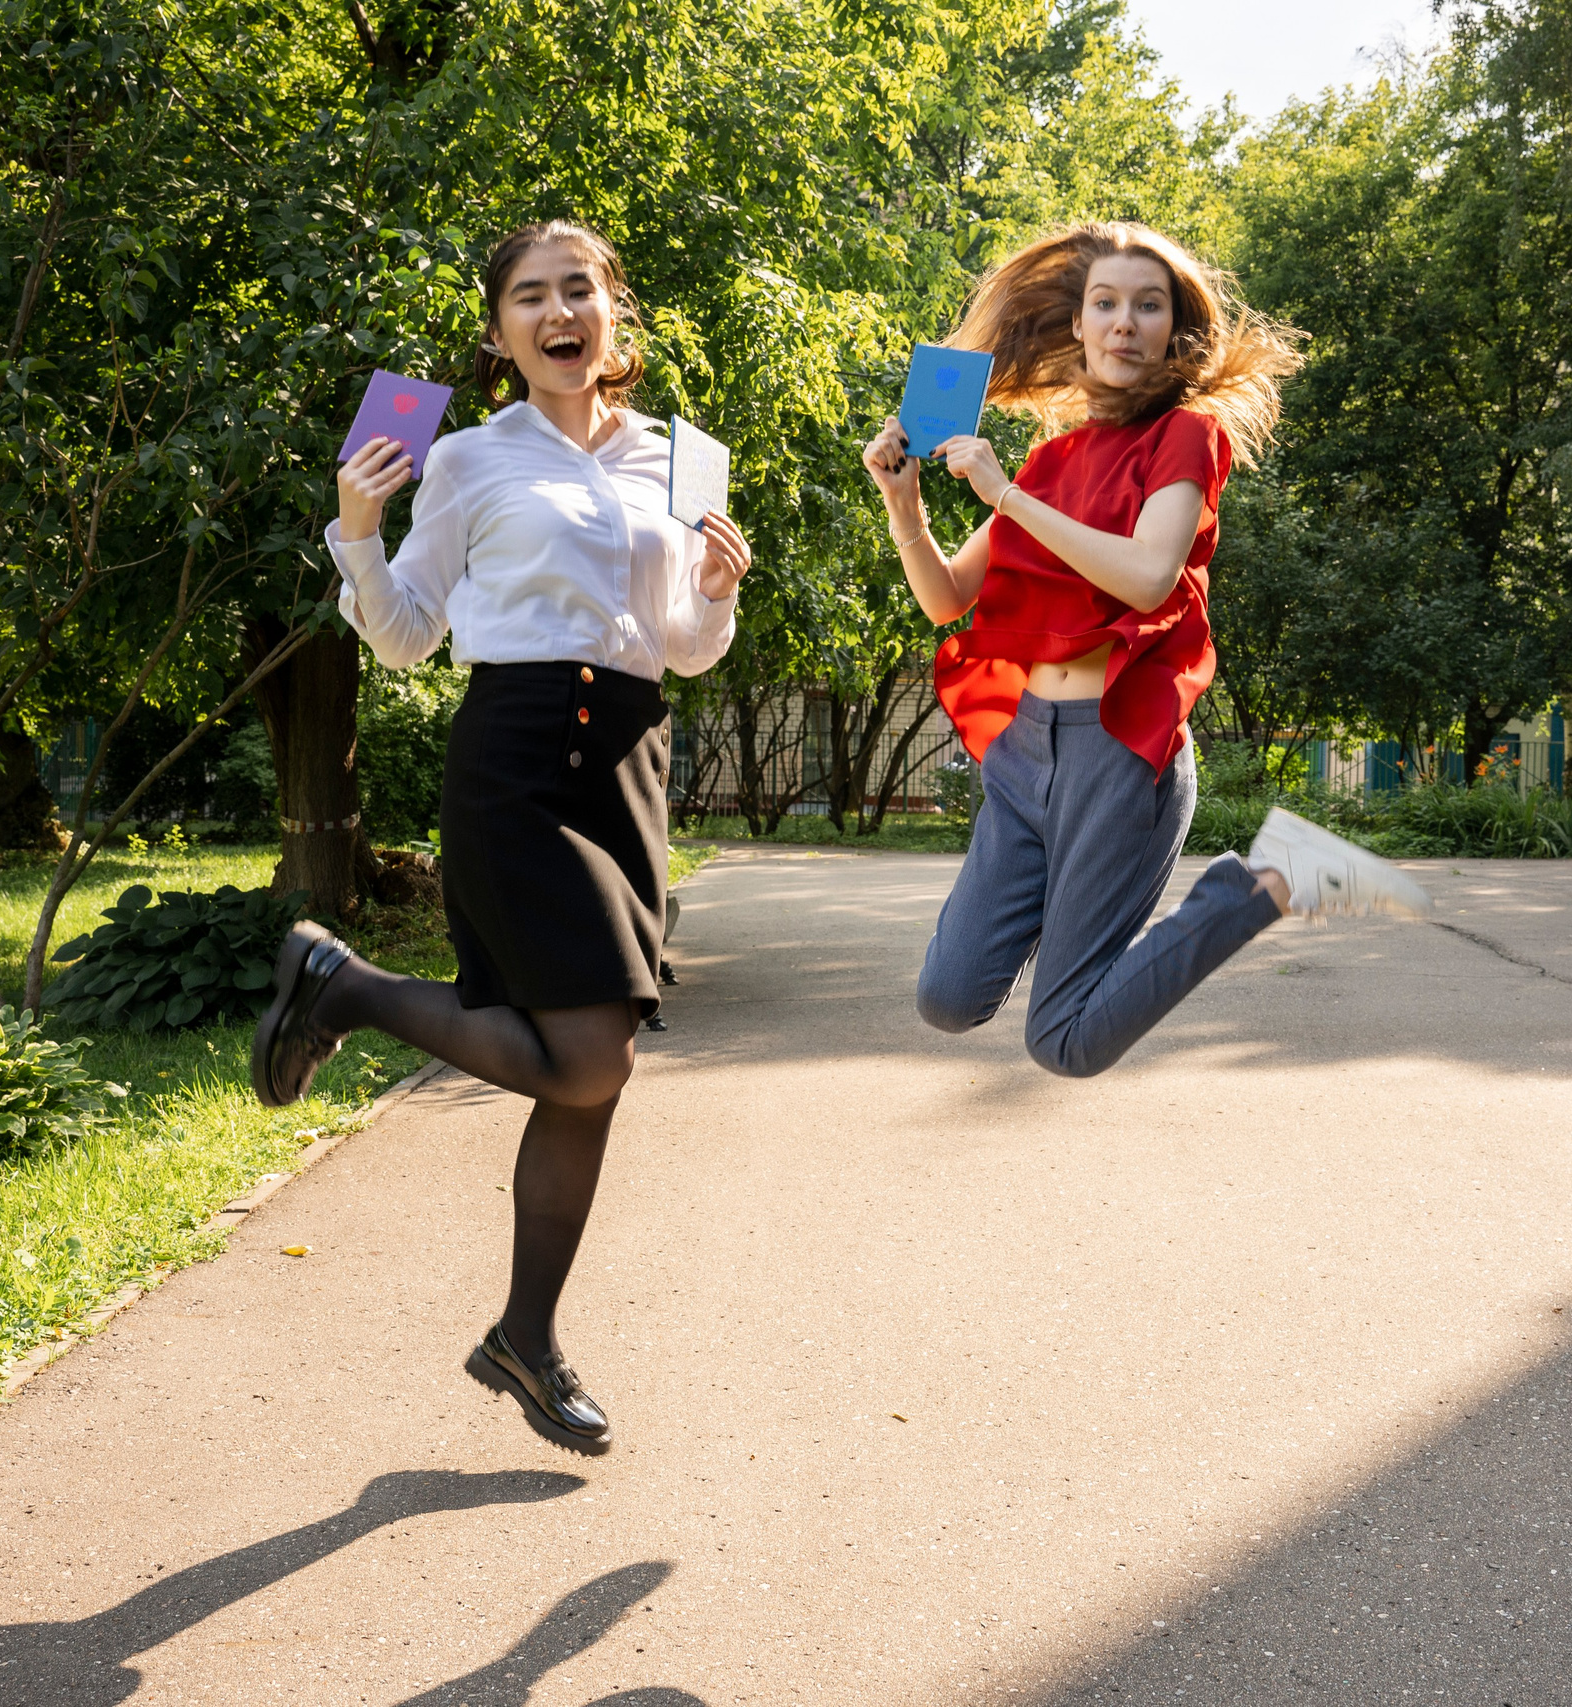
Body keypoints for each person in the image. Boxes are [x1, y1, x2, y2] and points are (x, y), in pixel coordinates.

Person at [252, 219, 752, 1454]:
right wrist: (357, 532)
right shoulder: (466, 459)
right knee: (589, 1063)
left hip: (629, 759)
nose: (557, 311)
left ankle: (524, 1341)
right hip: (515, 755)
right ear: (499, 334)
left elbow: (681, 648)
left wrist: (719, 595)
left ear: (612, 314)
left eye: (578, 289)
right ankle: (346, 986)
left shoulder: (684, 461)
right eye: (530, 296)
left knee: (588, 1077)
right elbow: (410, 633)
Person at [861, 220, 1431, 1079]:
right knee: (946, 997)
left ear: (1176, 331)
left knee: (1065, 1041)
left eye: (1148, 305)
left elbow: (1147, 577)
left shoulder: (1185, 439)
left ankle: (1272, 877)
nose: (1125, 321)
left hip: (1121, 750)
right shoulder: (1052, 459)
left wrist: (1005, 493)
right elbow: (948, 597)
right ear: (1080, 328)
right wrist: (905, 508)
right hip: (1023, 754)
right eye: (1106, 303)